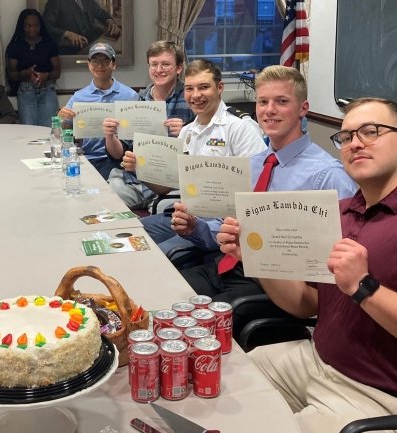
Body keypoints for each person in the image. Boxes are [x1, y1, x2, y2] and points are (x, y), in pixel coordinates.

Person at [217, 97, 397, 433]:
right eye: (345, 137)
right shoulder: (338, 213)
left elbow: (359, 289)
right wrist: (256, 258)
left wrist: (364, 288)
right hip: (314, 361)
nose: (355, 143)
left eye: (371, 132)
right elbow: (305, 305)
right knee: (219, 386)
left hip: (376, 395)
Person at [179, 65, 357, 305]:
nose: (269, 110)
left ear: (303, 108)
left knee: (192, 321)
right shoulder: (253, 165)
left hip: (280, 287)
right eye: (263, 102)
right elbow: (226, 228)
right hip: (229, 266)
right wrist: (196, 227)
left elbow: (342, 263)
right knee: (164, 291)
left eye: (281, 101)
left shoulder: (327, 176)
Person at [122, 59, 265, 256]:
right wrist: (141, 169)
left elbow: (258, 189)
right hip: (188, 214)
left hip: (222, 224)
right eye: (189, 89)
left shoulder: (240, 127)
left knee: (160, 255)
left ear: (220, 88)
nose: (196, 95)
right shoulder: (187, 131)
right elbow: (167, 186)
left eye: (204, 87)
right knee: (130, 235)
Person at [103, 40, 195, 210]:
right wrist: (110, 136)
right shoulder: (138, 100)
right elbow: (119, 153)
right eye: (154, 64)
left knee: (168, 210)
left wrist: (185, 133)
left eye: (165, 64)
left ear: (179, 68)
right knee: (106, 204)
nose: (159, 70)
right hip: (134, 181)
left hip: (172, 184)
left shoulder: (192, 99)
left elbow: (204, 149)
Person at [57, 42, 138, 179]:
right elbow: (63, 131)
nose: (100, 66)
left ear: (114, 64)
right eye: (95, 61)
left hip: (118, 162)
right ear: (89, 65)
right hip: (87, 158)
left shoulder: (130, 96)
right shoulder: (79, 97)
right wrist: (60, 118)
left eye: (105, 61)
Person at [6, 8, 61, 127]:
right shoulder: (15, 46)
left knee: (49, 129)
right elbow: (11, 74)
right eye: (28, 26)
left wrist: (46, 76)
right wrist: (26, 73)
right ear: (22, 27)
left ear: (40, 26)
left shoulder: (49, 44)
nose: (32, 29)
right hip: (26, 91)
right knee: (28, 130)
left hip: (47, 90)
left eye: (36, 25)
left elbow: (57, 71)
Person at [43, 0, 121, 55]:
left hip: (91, 43)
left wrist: (109, 21)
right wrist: (67, 34)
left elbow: (100, 12)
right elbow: (46, 26)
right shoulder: (55, 1)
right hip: (70, 49)